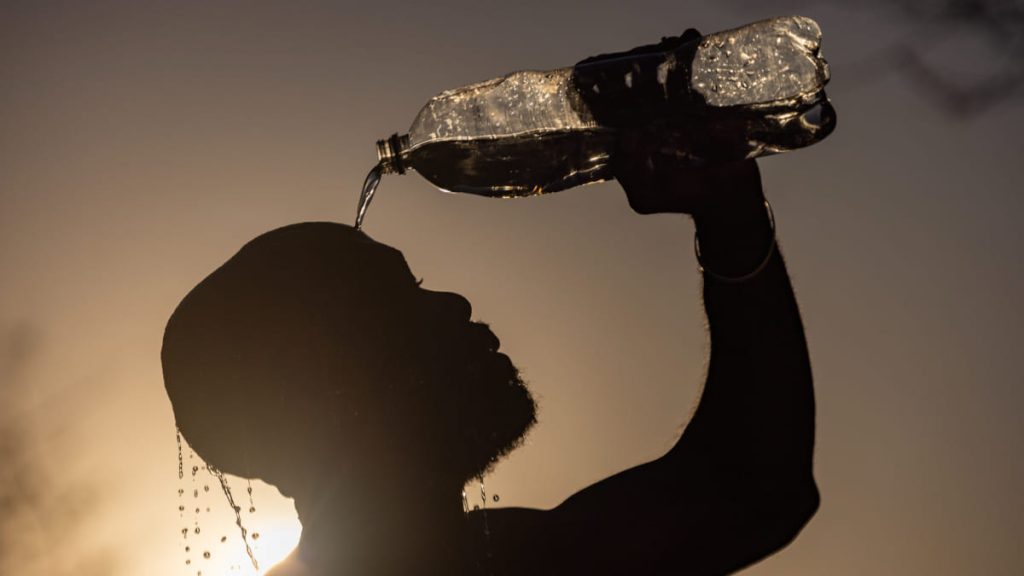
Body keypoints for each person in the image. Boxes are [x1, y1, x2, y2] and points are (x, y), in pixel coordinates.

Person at [161, 125, 819, 575]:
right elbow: (752, 490)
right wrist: (729, 221)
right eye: (392, 301)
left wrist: (728, 209)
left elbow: (754, 488)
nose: (454, 304)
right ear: (314, 394)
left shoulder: (503, 559)